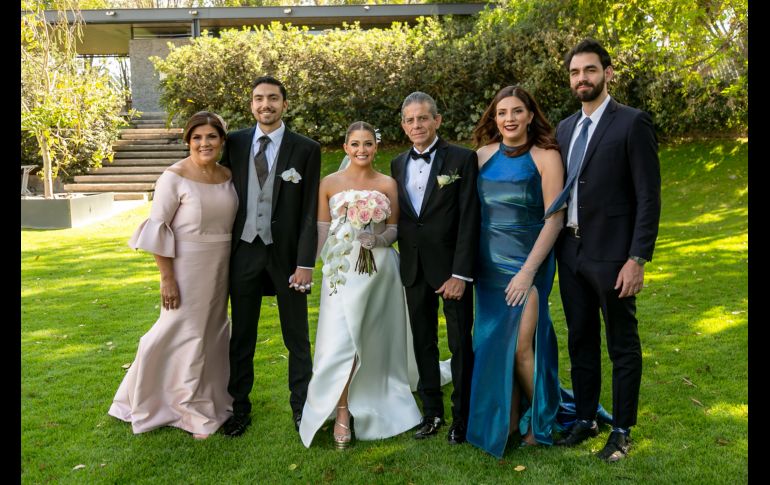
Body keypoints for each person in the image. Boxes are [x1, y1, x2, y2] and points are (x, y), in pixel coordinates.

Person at [545, 39, 661, 462]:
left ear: (607, 73)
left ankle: (623, 430)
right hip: (571, 251)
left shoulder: (632, 123)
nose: (582, 79)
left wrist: (637, 259)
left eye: (590, 70)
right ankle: (586, 418)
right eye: (575, 72)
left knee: (622, 344)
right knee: (581, 340)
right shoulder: (564, 129)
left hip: (614, 255)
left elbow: (648, 197)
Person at [108, 111, 237, 439]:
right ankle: (181, 406)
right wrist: (167, 278)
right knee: (179, 330)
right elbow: (158, 229)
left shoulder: (227, 175)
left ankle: (208, 396)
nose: (204, 143)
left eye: (211, 136)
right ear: (187, 141)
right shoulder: (173, 177)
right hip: (185, 267)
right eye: (197, 137)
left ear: (222, 140)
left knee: (211, 332)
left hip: (220, 266)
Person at [299, 121, 421, 449]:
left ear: (376, 147)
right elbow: (322, 228)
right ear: (345, 148)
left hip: (379, 270)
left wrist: (377, 239)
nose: (361, 150)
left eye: (368, 143)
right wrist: (308, 266)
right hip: (341, 271)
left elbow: (394, 229)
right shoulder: (329, 183)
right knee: (340, 341)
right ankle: (341, 410)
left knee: (370, 338)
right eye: (355, 144)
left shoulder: (388, 184)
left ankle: (371, 394)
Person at [464, 86, 565, 458]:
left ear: (530, 116)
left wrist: (527, 272)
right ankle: (504, 419)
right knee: (492, 343)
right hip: (488, 266)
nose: (509, 119)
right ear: (494, 118)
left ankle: (541, 421)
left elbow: (554, 220)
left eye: (517, 111)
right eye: (502, 112)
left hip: (528, 263)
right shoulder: (482, 156)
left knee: (522, 346)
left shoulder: (546, 156)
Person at [219, 76, 321, 437]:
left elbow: (310, 210)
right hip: (244, 251)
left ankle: (302, 407)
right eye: (259, 98)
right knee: (242, 335)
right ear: (251, 105)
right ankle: (238, 408)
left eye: (273, 98)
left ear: (285, 104)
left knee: (297, 336)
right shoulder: (233, 143)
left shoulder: (306, 149)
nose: (266, 105)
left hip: (287, 256)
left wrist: (305, 263)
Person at [391, 92, 480, 445]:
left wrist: (461, 274)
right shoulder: (397, 163)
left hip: (451, 269)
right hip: (413, 267)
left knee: (460, 342)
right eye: (410, 120)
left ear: (437, 120)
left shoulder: (462, 158)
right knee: (423, 341)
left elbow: (470, 218)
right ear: (403, 125)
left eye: (423, 118)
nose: (417, 125)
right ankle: (432, 413)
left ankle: (462, 416)